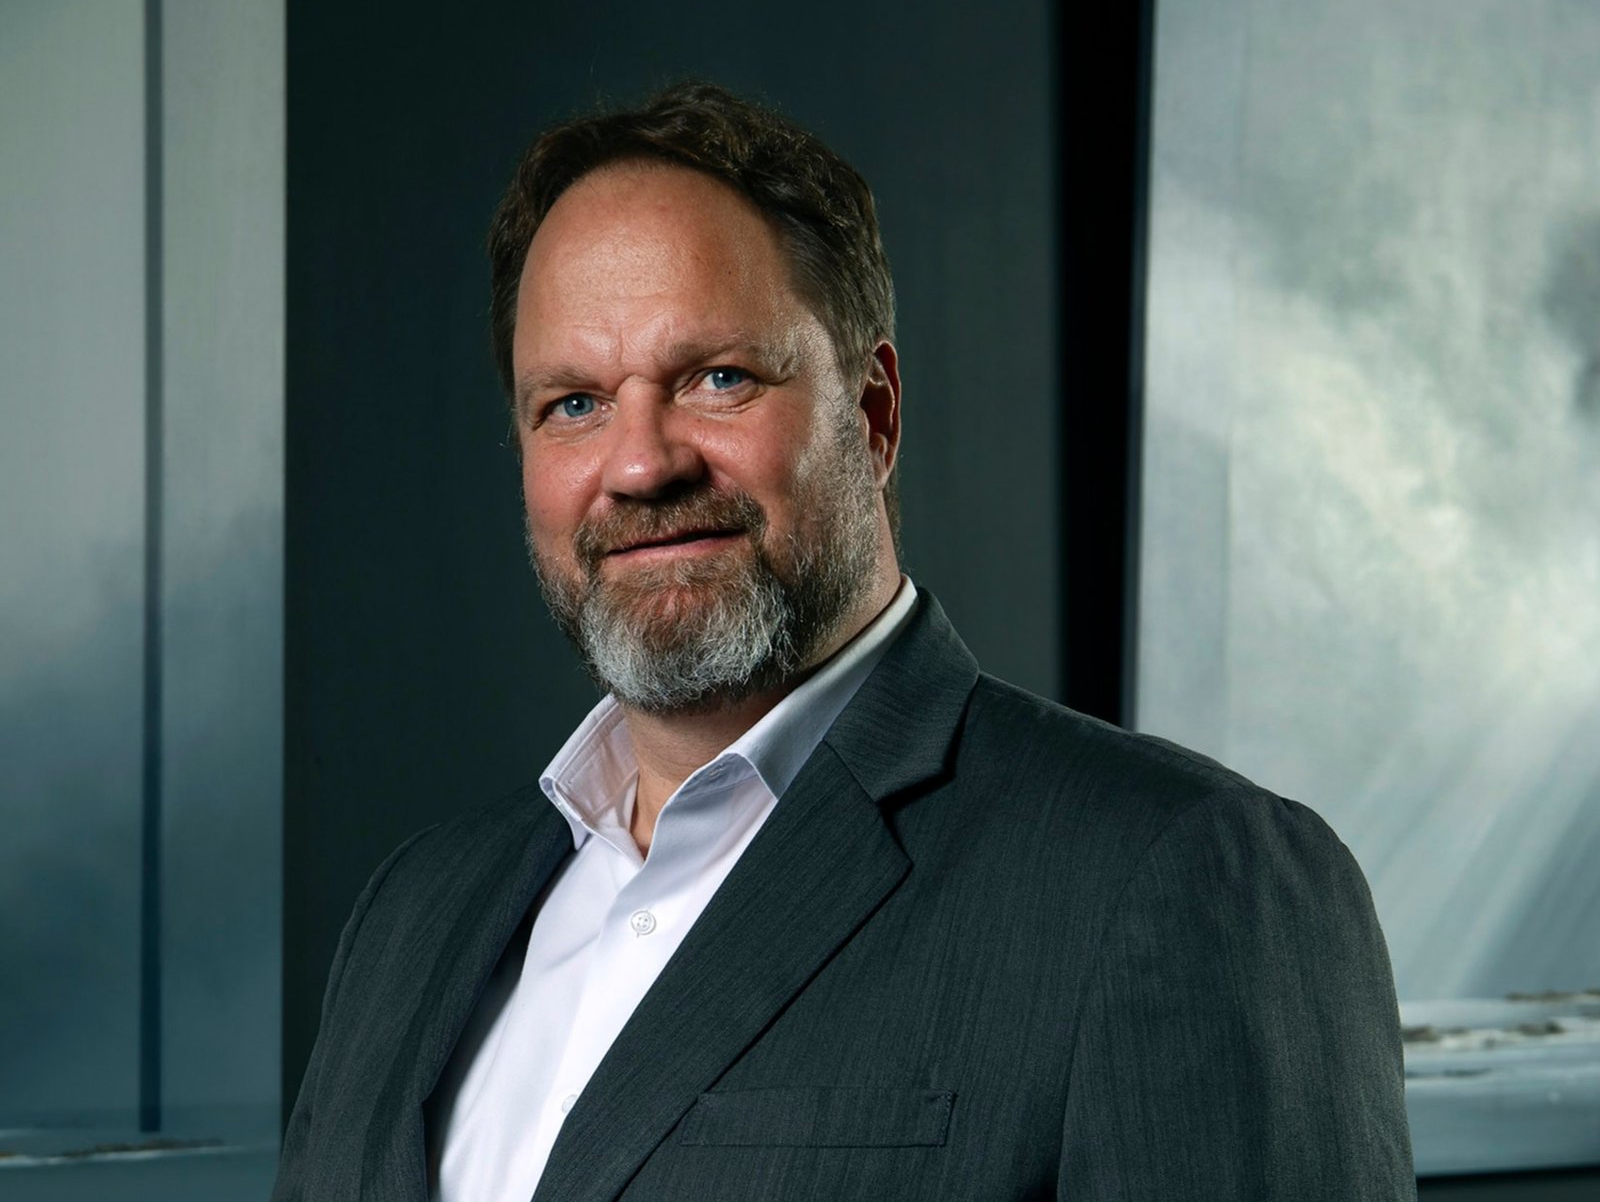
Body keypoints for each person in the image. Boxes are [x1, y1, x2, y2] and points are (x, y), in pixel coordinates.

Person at [272, 82, 1415, 1201]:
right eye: (572, 403)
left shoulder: (1174, 875)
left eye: (718, 378)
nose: (640, 463)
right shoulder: (413, 915)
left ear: (872, 414)